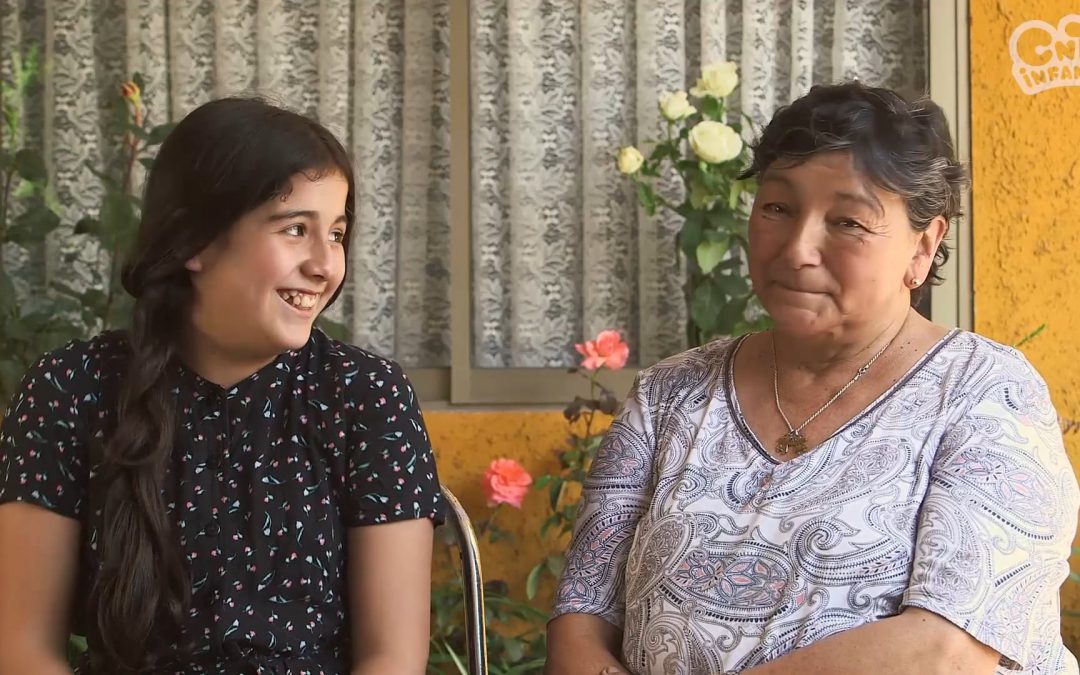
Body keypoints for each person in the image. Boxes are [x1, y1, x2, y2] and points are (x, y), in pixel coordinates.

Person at [546, 82, 1079, 675]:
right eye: (777, 207)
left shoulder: (987, 394)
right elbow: (583, 613)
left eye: (848, 221)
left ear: (923, 246)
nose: (797, 247)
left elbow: (949, 650)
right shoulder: (671, 393)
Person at [0, 98, 443, 674]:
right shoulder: (72, 388)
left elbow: (393, 658)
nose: (324, 264)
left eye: (335, 233)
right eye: (295, 229)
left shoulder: (364, 395)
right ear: (194, 243)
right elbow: (22, 648)